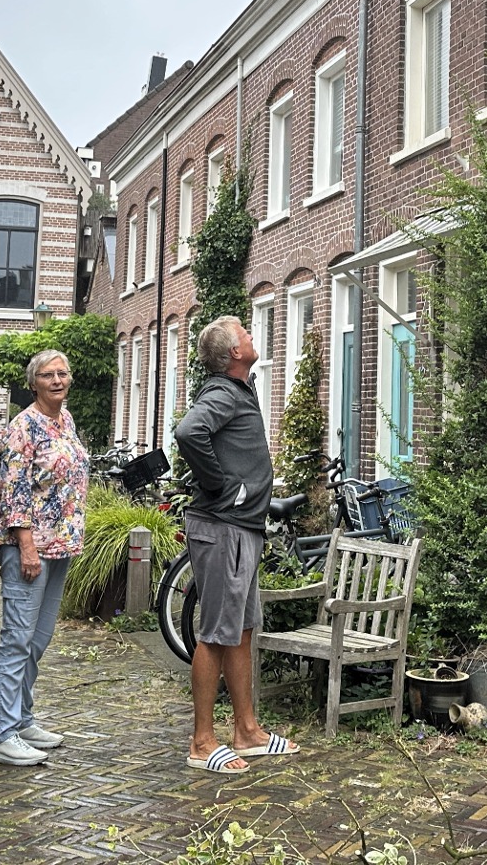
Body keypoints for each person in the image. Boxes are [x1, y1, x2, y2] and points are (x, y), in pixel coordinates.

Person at [171, 316, 300, 775]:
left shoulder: (241, 389)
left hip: (242, 528)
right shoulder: (224, 392)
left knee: (242, 628)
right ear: (233, 354)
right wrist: (224, 486)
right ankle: (202, 741)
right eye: (245, 332)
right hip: (224, 526)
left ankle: (246, 730)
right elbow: (189, 433)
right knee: (215, 632)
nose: (251, 334)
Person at [0, 349, 88, 766]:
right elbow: (14, 492)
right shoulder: (22, 427)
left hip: (60, 545)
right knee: (16, 639)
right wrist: (26, 546)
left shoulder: (66, 421)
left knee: (38, 639)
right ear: (34, 383)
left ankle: (23, 719)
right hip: (28, 549)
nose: (58, 380)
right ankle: (1, 735)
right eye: (48, 374)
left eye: (63, 372)